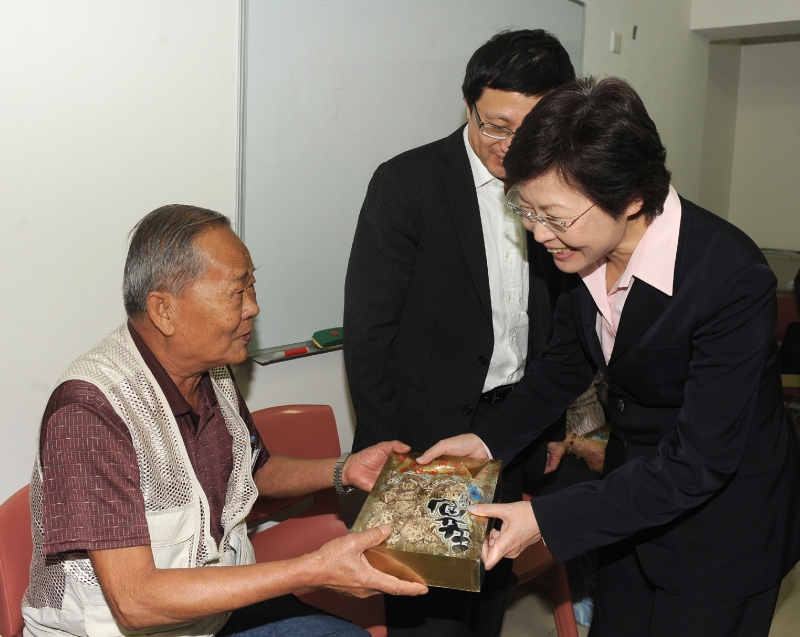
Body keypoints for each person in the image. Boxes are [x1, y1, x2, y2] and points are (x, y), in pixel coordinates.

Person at [419, 76, 800, 637]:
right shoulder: (579, 247)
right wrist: (486, 442)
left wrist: (546, 519)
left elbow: (702, 460)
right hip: (625, 504)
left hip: (721, 525)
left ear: (631, 198)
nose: (539, 232)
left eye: (554, 216)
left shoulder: (730, 278)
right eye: (525, 210)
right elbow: (564, 367)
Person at [23, 205, 427, 637]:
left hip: (214, 614)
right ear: (164, 310)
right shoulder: (89, 412)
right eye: (237, 293)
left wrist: (344, 468)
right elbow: (135, 602)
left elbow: (254, 473)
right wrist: (310, 570)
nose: (254, 308)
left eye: (252, 287)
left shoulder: (212, 369)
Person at [343, 29, 574, 637]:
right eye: (496, 125)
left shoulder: (555, 186)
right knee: (431, 621)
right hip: (430, 446)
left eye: (531, 128)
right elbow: (370, 330)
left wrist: (547, 424)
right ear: (468, 104)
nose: (511, 145)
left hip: (512, 433)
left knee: (488, 604)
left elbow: (550, 312)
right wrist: (397, 457)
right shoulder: (408, 182)